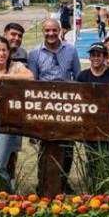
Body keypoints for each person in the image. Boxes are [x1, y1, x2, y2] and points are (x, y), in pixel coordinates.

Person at [28, 18, 82, 192]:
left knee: (67, 146)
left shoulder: (71, 51)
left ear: (60, 30)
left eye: (54, 30)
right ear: (42, 31)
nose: (50, 34)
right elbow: (33, 83)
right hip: (45, 107)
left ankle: (64, 182)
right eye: (47, 30)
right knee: (45, 146)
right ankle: (42, 181)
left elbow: (78, 77)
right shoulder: (34, 53)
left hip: (67, 106)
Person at [0, 36, 33, 187]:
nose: (1, 54)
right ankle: (2, 199)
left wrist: (3, 76)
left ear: (9, 52)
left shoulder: (16, 67)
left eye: (4, 50)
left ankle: (7, 198)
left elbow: (30, 77)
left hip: (7, 120)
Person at [77, 42, 109, 181]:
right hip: (89, 124)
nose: (96, 58)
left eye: (99, 55)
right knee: (91, 156)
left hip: (107, 123)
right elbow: (77, 98)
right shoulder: (83, 76)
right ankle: (92, 184)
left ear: (104, 57)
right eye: (93, 55)